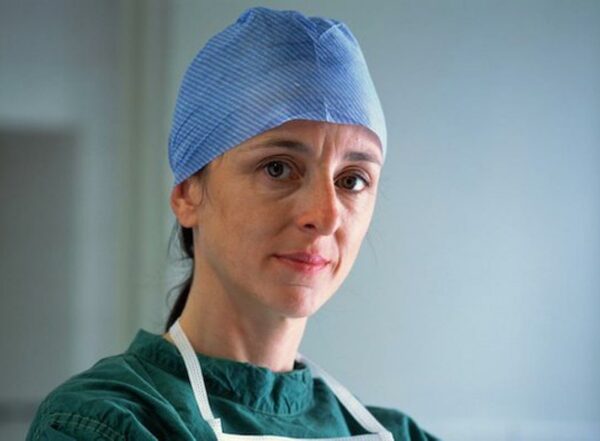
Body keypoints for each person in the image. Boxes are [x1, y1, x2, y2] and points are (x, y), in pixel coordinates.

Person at [28, 7, 439, 441]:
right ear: (188, 194)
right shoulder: (101, 423)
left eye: (352, 180)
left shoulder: (398, 434)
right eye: (278, 168)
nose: (326, 215)